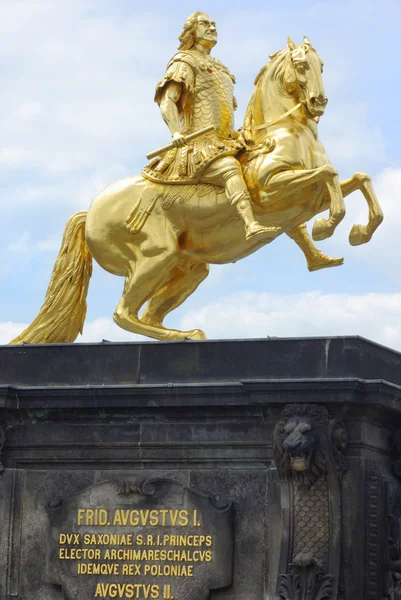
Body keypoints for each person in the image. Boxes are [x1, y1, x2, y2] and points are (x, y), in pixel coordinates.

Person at [142, 12, 278, 241]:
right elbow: (168, 101)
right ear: (192, 32)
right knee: (229, 169)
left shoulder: (221, 68)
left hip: (227, 141)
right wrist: (176, 132)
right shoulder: (184, 62)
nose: (212, 28)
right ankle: (250, 224)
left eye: (214, 24)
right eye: (205, 24)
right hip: (199, 144)